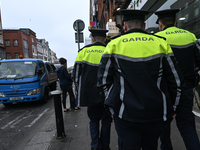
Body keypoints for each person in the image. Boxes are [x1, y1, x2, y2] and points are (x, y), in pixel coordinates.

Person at [97, 9, 184, 150]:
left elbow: (103, 82)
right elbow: (176, 80)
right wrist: (173, 107)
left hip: (125, 114)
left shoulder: (113, 45)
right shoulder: (160, 43)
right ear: (144, 25)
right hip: (155, 114)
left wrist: (112, 109)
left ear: (125, 26)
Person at [154, 9, 200, 150]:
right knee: (187, 127)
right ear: (175, 22)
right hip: (186, 88)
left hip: (164, 90)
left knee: (163, 126)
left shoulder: (156, 38)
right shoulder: (190, 36)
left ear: (160, 23)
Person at [73, 29, 112, 150]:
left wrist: (80, 93)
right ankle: (105, 146)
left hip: (90, 96)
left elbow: (76, 76)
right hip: (107, 95)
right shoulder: (109, 50)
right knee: (106, 122)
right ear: (105, 39)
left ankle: (95, 146)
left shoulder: (83, 52)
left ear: (93, 39)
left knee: (93, 121)